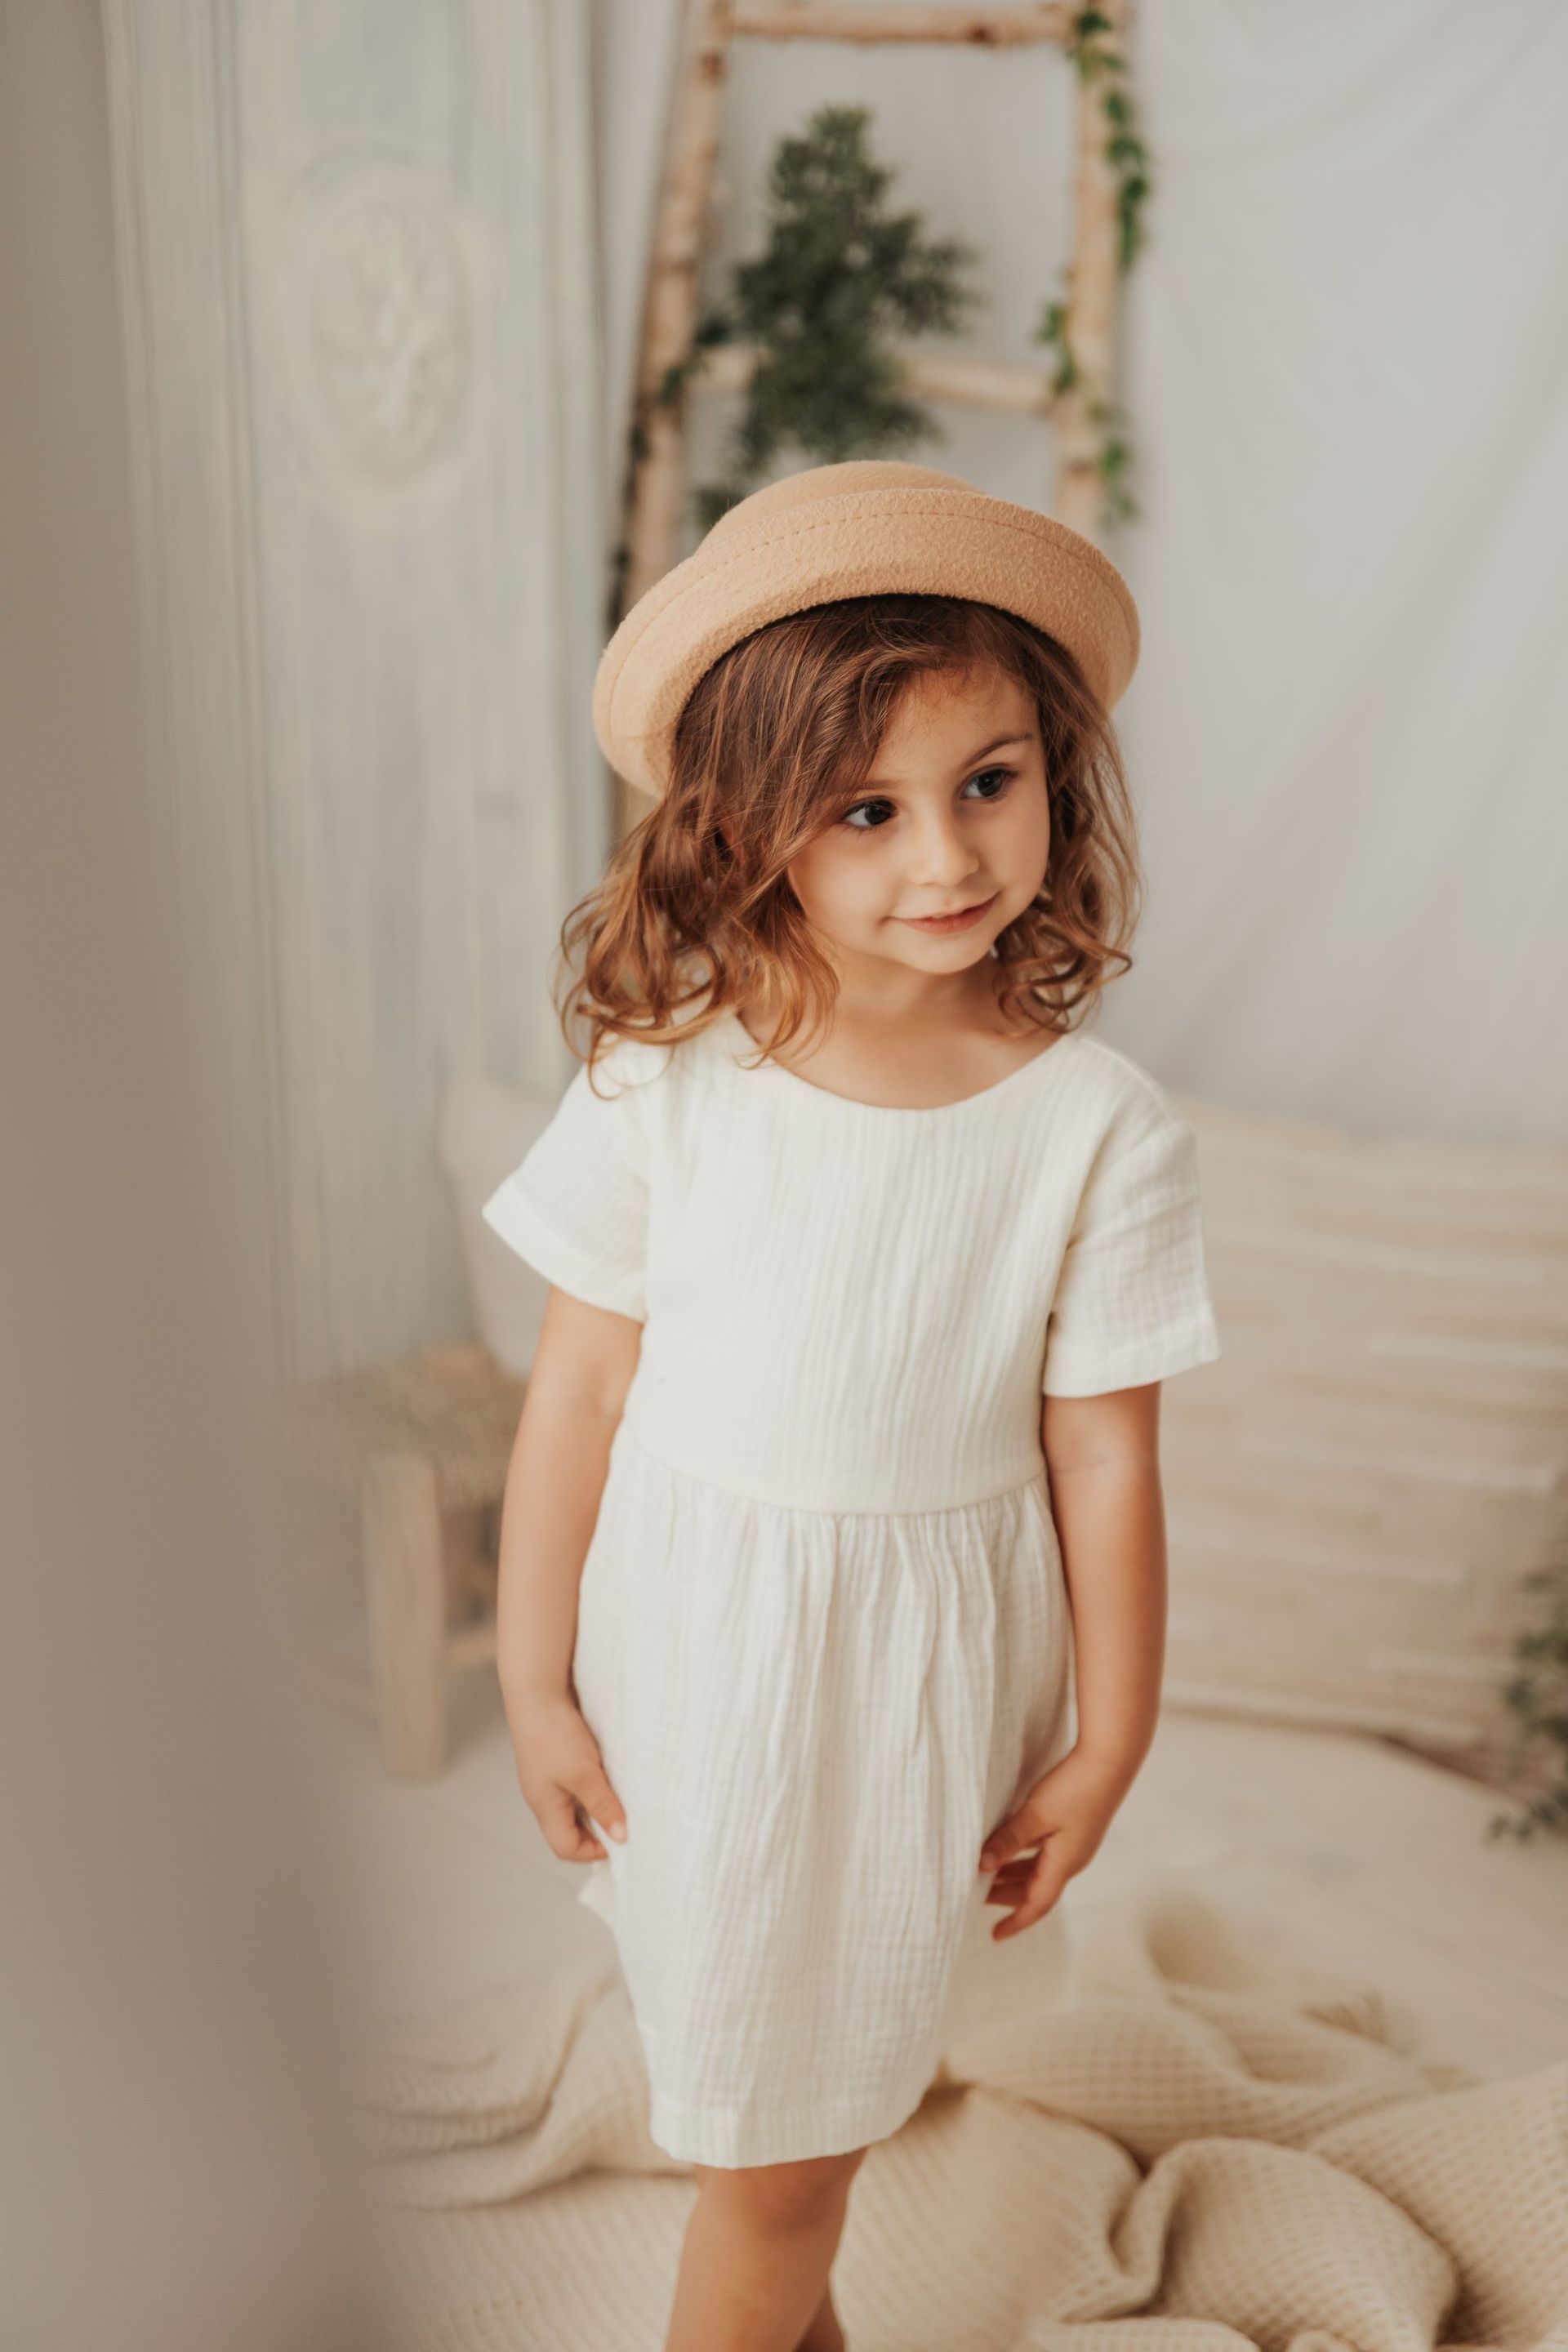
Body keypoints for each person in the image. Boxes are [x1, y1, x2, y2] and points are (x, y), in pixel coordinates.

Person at [482, 460, 1223, 2352]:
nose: (948, 859)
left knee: (794, 2150)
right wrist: (534, 1675)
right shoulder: (672, 1081)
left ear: (1058, 766)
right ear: (755, 834)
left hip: (920, 1688)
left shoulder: (1093, 1129)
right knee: (775, 2154)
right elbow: (577, 1392)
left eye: (990, 781)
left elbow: (1104, 1456)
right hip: (701, 1662)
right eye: (866, 810)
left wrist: (1111, 1735)